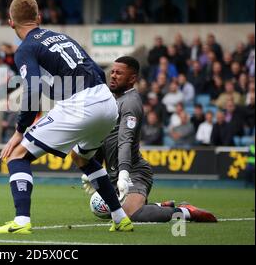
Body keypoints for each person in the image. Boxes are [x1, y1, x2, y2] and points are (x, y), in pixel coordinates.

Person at [0, 0, 133, 234]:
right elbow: (95, 69)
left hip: (82, 104)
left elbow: (32, 89)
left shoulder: (26, 48)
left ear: (10, 22)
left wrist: (18, 131)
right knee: (82, 158)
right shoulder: (61, 37)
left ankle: (21, 222)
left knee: (16, 155)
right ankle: (120, 217)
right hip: (106, 102)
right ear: (39, 18)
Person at [82, 56, 217, 223]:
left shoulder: (130, 103)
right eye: (113, 72)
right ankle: (161, 205)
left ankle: (185, 211)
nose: (113, 76)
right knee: (106, 210)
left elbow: (125, 140)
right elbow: (103, 138)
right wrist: (94, 170)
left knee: (130, 214)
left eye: (119, 73)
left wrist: (124, 173)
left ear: (132, 79)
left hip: (133, 171)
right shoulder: (113, 100)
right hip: (115, 174)